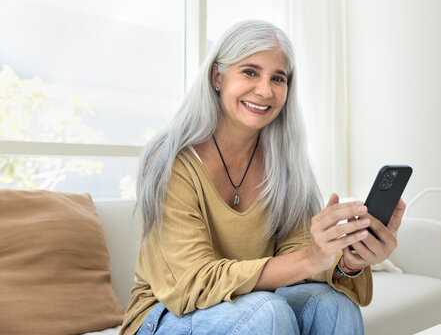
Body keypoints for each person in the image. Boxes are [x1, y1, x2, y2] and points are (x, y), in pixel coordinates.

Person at [120, 20, 405, 335]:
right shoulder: (172, 160)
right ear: (217, 76)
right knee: (267, 313)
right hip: (163, 317)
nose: (265, 90)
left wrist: (346, 261)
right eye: (250, 72)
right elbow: (191, 284)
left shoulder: (285, 163)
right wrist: (311, 258)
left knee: (332, 305)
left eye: (278, 78)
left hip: (256, 307)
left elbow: (296, 254)